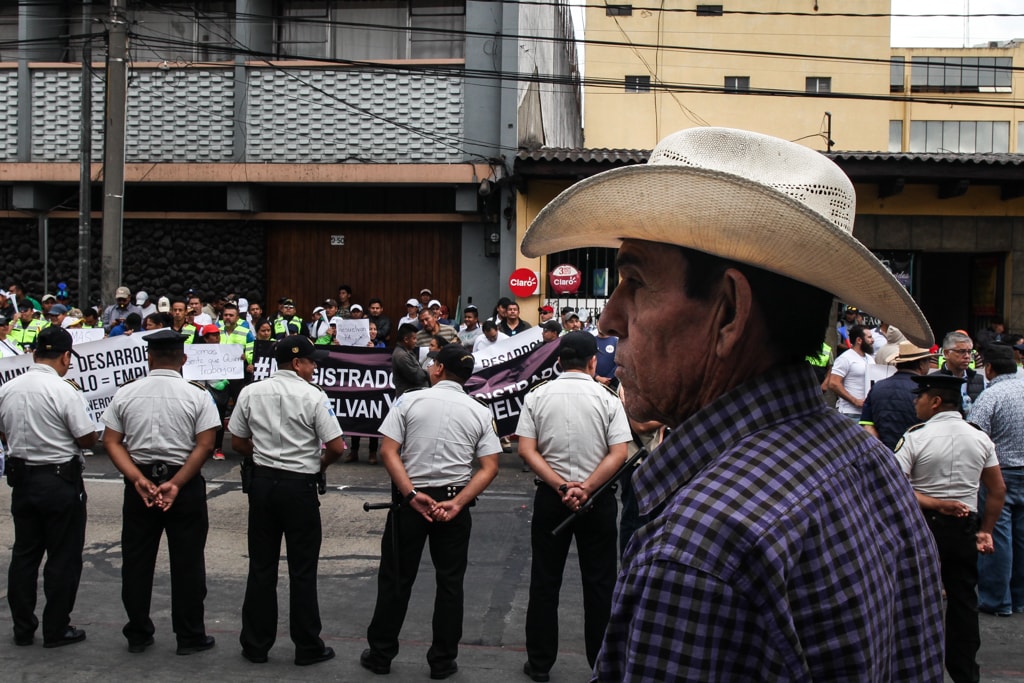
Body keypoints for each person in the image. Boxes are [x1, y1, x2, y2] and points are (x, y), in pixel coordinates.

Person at [519, 126, 944, 680]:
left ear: (728, 313)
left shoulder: (699, 547)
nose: (609, 318)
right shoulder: (867, 463)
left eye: (635, 281)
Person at [361, 344, 500, 680]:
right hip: (453, 504)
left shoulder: (409, 400)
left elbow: (388, 451)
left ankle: (381, 654)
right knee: (450, 583)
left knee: (396, 578)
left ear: (437, 368)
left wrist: (410, 494)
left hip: (411, 503)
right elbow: (489, 467)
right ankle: (442, 660)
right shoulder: (479, 411)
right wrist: (459, 501)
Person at [517, 332, 631, 681]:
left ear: (558, 361)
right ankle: (601, 663)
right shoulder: (607, 398)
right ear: (593, 361)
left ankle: (539, 664)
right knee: (599, 583)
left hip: (552, 498)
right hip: (597, 500)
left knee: (544, 581)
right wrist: (587, 488)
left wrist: (561, 485)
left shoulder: (537, 396)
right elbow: (619, 453)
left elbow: (527, 450)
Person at [100, 329, 221, 655]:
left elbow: (111, 441)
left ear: (149, 358)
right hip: (184, 485)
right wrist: (177, 483)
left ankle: (138, 633)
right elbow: (206, 444)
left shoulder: (126, 393)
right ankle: (190, 636)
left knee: (137, 562)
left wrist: (137, 478)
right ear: (183, 359)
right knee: (188, 563)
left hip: (139, 486)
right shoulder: (197, 395)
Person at [229, 335, 346, 666]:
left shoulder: (251, 392)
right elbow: (336, 446)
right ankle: (307, 646)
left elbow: (238, 440)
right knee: (303, 569)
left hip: (263, 484)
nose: (314, 367)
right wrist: (317, 465)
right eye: (311, 362)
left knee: (262, 566)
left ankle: (255, 644)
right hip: (300, 487)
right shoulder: (313, 396)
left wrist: (265, 457)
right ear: (297, 363)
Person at [895, 373, 1005, 683]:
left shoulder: (916, 437)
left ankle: (917, 669)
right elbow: (997, 490)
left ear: (935, 402)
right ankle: (965, 672)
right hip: (964, 528)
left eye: (920, 397)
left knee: (917, 599)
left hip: (922, 528)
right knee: (963, 600)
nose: (916, 402)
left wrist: (934, 503)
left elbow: (895, 487)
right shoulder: (979, 437)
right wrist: (986, 529)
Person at [0, 326, 97, 647]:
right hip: (59, 481)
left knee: (25, 555)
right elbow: (86, 437)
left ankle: (22, 628)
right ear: (66, 356)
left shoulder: (8, 389)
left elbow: (4, 432)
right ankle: (56, 628)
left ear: (34, 353)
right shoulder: (64, 390)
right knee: (63, 557)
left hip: (23, 481)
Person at [968, 343, 1024, 618]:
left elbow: (974, 438)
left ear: (989, 369)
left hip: (1000, 475)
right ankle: (1020, 597)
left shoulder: (991, 396)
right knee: (1022, 538)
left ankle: (996, 600)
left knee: (997, 536)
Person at [859, 341, 935, 450]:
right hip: (915, 456)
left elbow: (867, 425)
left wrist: (883, 452)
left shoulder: (877, 387)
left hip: (884, 456)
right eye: (928, 361)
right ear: (921, 364)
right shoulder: (926, 391)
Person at [827, 324, 875, 420]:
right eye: (869, 337)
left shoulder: (870, 359)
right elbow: (833, 383)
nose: (873, 340)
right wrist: (854, 401)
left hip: (867, 413)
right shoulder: (845, 358)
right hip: (850, 413)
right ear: (859, 340)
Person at [938, 331, 985, 415]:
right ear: (946, 353)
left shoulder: (980, 380)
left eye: (969, 352)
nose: (967, 356)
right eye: (961, 351)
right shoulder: (935, 380)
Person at [390, 323, 428, 399]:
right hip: (409, 399)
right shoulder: (402, 356)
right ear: (406, 339)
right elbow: (418, 377)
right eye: (414, 338)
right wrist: (429, 372)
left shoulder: (406, 352)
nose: (416, 341)